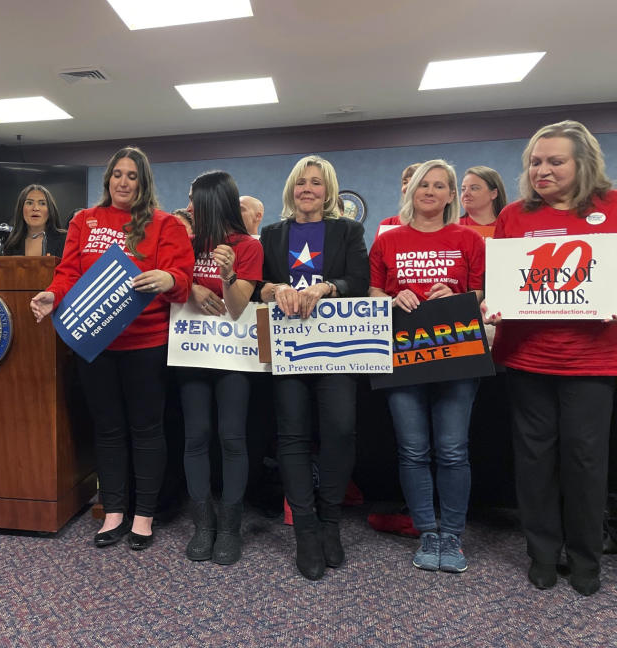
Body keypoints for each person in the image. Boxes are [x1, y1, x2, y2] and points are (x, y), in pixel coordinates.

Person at [30, 147, 194, 550]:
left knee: (146, 429)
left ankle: (144, 515)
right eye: (117, 174)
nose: (123, 182)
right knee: (107, 430)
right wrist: (52, 295)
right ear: (107, 180)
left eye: (132, 176)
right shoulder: (84, 221)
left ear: (144, 182)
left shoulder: (166, 224)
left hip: (148, 343)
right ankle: (115, 511)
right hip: (95, 343)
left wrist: (167, 279)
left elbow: (183, 280)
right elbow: (68, 272)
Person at [488, 120, 617, 596]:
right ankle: (542, 553)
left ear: (583, 163)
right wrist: (492, 300)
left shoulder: (613, 208)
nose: (541, 170)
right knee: (534, 460)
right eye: (535, 162)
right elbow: (501, 280)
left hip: (593, 360)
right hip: (527, 357)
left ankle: (586, 559)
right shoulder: (516, 216)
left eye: (554, 161)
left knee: (586, 462)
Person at [369, 159, 485, 574]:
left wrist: (453, 292)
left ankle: (451, 535)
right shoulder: (388, 240)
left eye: (440, 186)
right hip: (403, 352)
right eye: (424, 184)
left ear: (452, 195)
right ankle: (426, 531)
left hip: (457, 350)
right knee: (413, 449)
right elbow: (372, 291)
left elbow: (483, 293)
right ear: (411, 190)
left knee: (453, 449)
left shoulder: (469, 239)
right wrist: (389, 298)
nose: (430, 191)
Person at [256, 155, 369, 579]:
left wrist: (327, 286)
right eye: (301, 182)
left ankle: (330, 522)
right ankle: (305, 528)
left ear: (328, 191)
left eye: (316, 183)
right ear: (291, 189)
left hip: (338, 349)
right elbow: (255, 289)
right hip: (288, 349)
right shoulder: (271, 234)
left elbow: (359, 280)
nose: (308, 189)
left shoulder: (348, 230)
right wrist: (276, 288)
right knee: (292, 437)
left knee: (341, 430)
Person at [180, 171, 263, 565]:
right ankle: (203, 525)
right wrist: (190, 287)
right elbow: (172, 286)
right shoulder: (186, 242)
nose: (190, 206)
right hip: (191, 353)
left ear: (214, 201)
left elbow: (237, 307)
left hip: (234, 358)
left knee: (232, 438)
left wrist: (228, 274)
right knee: (195, 436)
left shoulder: (246, 245)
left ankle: (229, 528)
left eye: (195, 199)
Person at [2, 185, 66, 257]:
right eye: (29, 203)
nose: (35, 208)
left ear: (50, 210)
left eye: (42, 203)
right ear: (21, 209)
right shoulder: (9, 243)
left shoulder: (65, 240)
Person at [374, 163, 421, 236]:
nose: (406, 187)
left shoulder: (442, 226)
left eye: (413, 182)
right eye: (405, 183)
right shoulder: (388, 224)